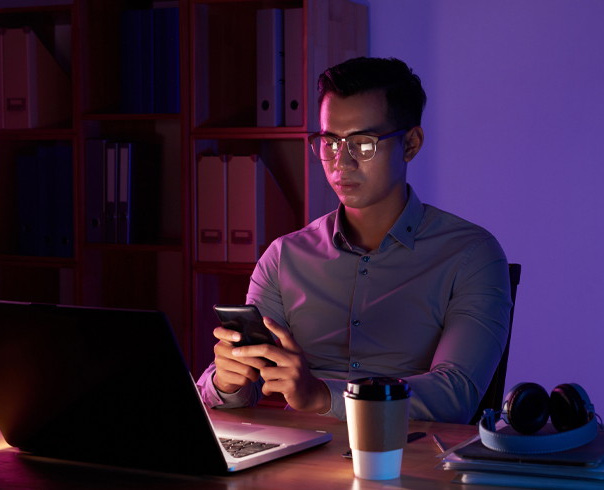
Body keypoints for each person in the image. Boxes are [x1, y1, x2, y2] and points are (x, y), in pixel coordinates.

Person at [197, 57, 511, 424]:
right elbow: (237, 390)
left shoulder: (471, 256)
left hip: (410, 462)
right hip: (300, 460)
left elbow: (455, 395)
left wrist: (320, 396)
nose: (341, 162)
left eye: (362, 145)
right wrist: (228, 381)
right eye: (330, 142)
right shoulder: (284, 257)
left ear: (410, 144)